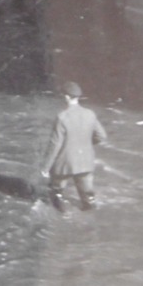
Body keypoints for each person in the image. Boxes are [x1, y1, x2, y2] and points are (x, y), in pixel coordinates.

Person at [40, 80, 107, 211]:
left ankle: (62, 216)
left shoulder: (62, 117)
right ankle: (89, 220)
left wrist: (45, 167)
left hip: (64, 164)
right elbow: (102, 136)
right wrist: (86, 144)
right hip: (85, 162)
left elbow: (55, 145)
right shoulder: (90, 114)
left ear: (66, 97)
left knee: (56, 194)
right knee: (88, 199)